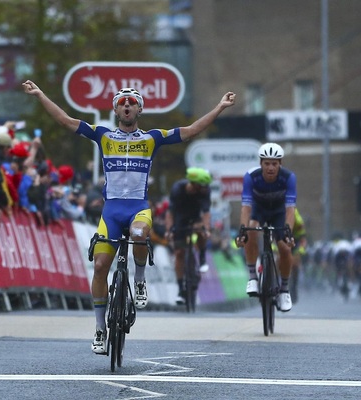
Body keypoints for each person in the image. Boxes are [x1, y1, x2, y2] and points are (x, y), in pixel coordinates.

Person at [22, 79, 236, 354]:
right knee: (100, 267)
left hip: (138, 207)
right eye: (122, 101)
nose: (126, 104)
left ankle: (139, 280)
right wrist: (40, 94)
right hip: (111, 210)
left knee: (138, 234)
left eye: (132, 102)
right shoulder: (103, 135)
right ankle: (100, 328)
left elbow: (192, 130)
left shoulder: (152, 138)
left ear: (139, 110)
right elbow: (65, 121)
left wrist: (219, 107)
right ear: (115, 109)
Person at [235, 142, 296, 312]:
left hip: (278, 212)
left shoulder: (289, 177)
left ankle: (284, 289)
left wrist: (288, 232)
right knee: (251, 230)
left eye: (274, 164)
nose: (270, 168)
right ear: (260, 163)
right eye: (267, 163)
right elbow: (246, 207)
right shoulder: (251, 176)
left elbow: (290, 209)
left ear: (280, 164)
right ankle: (253, 278)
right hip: (258, 210)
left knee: (284, 247)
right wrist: (242, 230)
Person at [164, 167, 212, 304]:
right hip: (180, 219)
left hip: (196, 218)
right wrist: (168, 230)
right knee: (179, 252)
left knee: (202, 231)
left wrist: (206, 229)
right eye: (202, 186)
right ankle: (181, 289)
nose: (205, 188)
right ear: (194, 184)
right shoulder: (178, 189)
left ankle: (202, 257)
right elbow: (170, 212)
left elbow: (206, 213)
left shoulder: (205, 191)